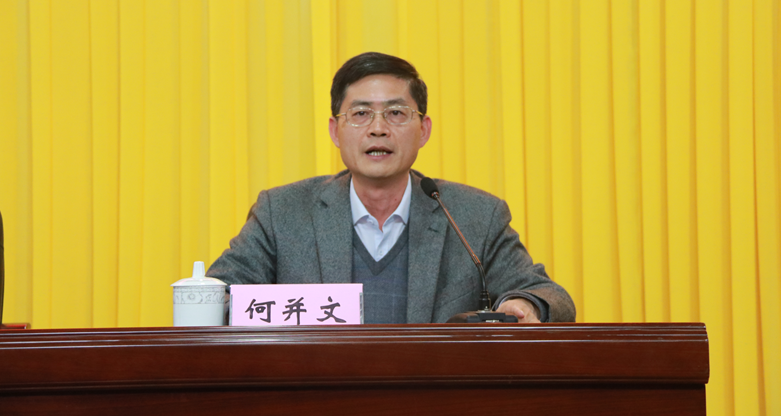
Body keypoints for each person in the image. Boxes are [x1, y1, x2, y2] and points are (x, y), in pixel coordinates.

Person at [207, 52, 575, 324]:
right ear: (335, 131)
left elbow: (549, 295)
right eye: (360, 114)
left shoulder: (474, 216)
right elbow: (217, 295)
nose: (378, 128)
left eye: (396, 113)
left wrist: (523, 305)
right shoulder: (283, 213)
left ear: (424, 130)